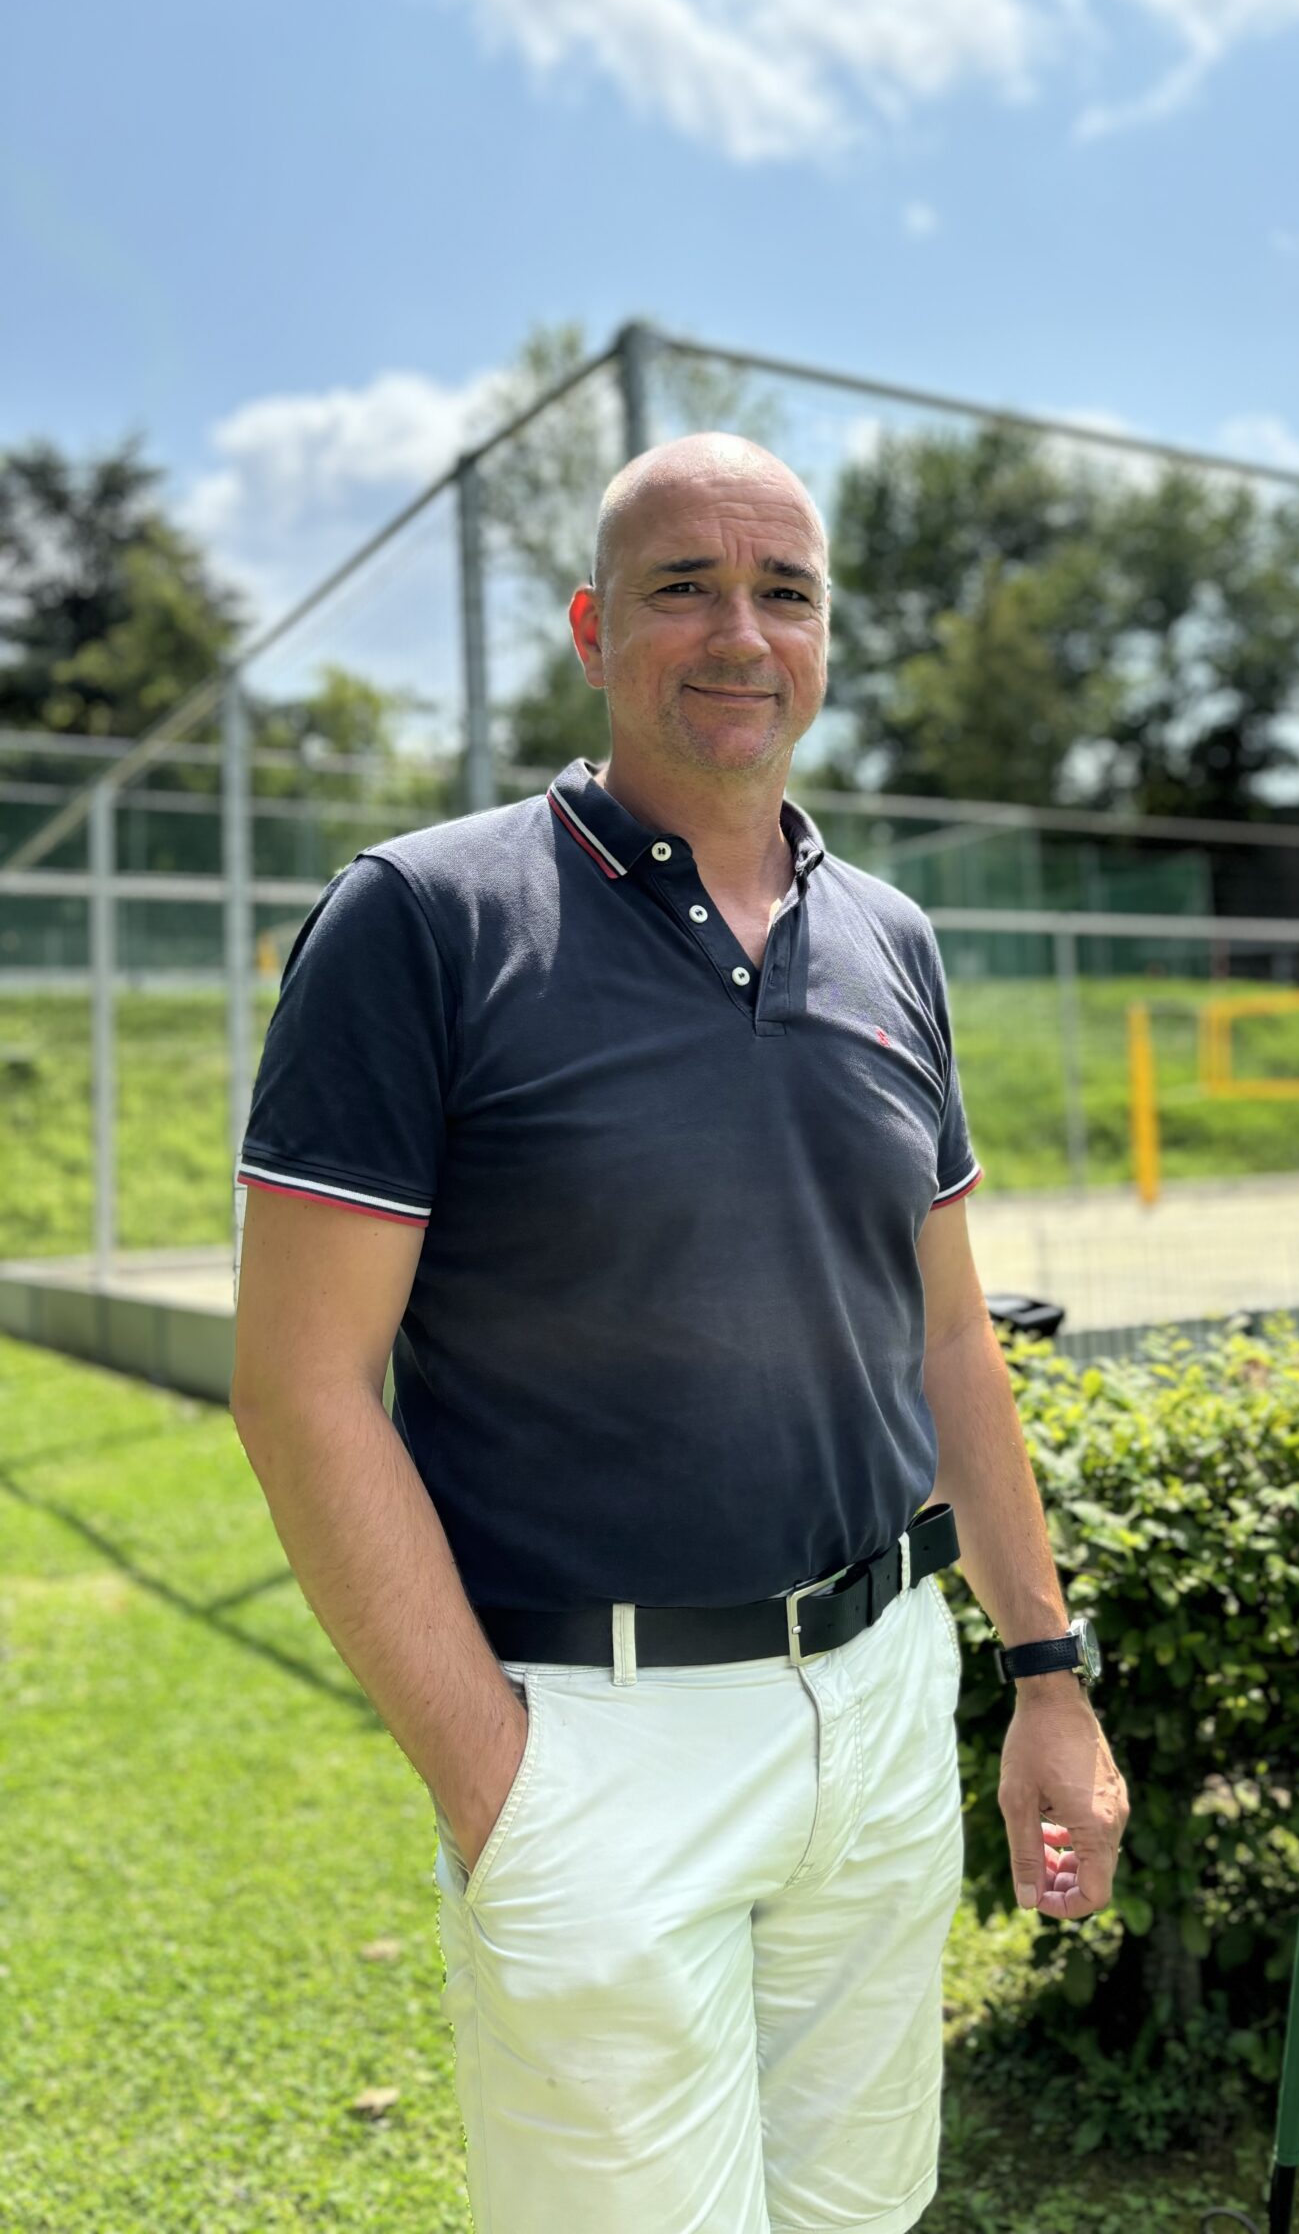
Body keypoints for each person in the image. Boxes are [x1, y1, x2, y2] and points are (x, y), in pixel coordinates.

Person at [229, 432, 1129, 2234]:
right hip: (591, 1737)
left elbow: (950, 1337)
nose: (740, 630)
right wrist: (499, 1780)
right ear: (591, 630)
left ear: (825, 639)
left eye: (782, 590)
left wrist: (1045, 1672)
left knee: (857, 2216)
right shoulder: (421, 920)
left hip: (877, 1715)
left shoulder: (892, 940)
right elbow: (300, 1386)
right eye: (683, 588)